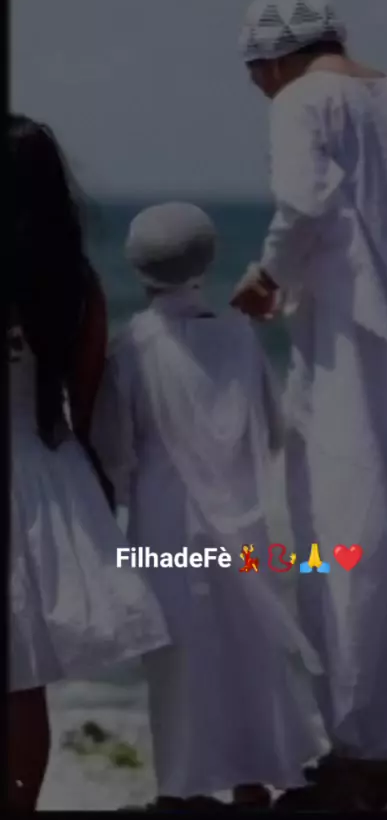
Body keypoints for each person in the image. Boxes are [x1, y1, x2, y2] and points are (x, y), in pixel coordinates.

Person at [232, 0, 387, 762]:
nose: (257, 87)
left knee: (343, 526)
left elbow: (303, 206)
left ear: (274, 59)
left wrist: (267, 279)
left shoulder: (302, 101)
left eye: (254, 72)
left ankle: (362, 736)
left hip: (353, 336)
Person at [91, 202, 330, 806]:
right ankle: (254, 781)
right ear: (209, 261)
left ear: (136, 267)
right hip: (241, 524)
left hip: (164, 531)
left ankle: (179, 788)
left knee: (179, 661)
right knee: (247, 651)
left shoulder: (131, 348)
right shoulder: (239, 335)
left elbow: (115, 451)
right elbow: (272, 429)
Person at [8, 114, 171, 810]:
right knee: (23, 683)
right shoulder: (75, 287)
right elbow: (86, 403)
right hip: (43, 478)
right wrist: (102, 490)